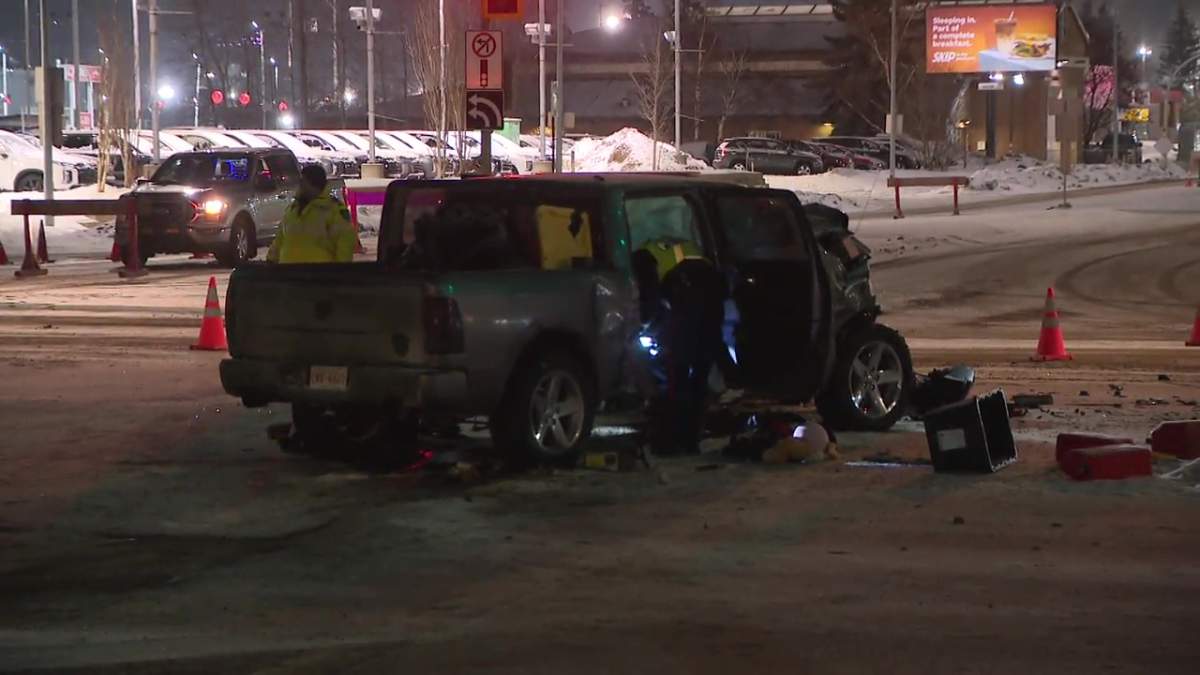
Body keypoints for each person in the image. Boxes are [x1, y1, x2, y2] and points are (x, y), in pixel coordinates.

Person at [632, 239, 728, 455]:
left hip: (679, 343)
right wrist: (730, 369)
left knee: (677, 388)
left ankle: (670, 441)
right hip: (694, 343)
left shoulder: (674, 279)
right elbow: (714, 334)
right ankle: (687, 441)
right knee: (695, 389)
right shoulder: (713, 285)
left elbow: (658, 309)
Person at [266, 165, 357, 264]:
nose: (300, 185)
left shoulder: (333, 210)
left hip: (318, 276)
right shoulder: (294, 208)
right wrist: (271, 260)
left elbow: (345, 243)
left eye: (303, 181)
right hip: (289, 274)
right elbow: (281, 238)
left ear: (313, 184)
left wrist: (341, 272)